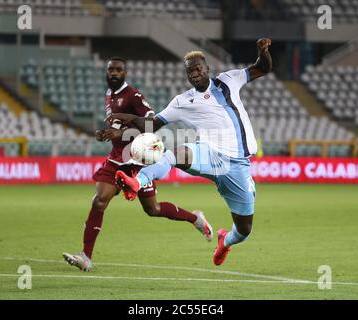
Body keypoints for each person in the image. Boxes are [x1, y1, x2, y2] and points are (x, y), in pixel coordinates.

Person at [111, 39, 272, 266]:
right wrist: (125, 123)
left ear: (207, 68)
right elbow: (152, 124)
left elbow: (263, 67)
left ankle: (225, 241)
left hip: (237, 167)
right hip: (209, 154)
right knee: (176, 154)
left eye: (198, 68)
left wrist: (263, 52)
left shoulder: (229, 80)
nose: (194, 73)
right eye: (190, 71)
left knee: (244, 230)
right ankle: (137, 182)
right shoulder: (182, 101)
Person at [63, 57, 213, 272]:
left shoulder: (133, 95)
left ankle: (195, 218)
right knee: (99, 201)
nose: (114, 73)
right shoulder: (109, 95)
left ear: (125, 73)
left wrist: (120, 132)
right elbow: (117, 129)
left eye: (118, 70)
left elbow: (151, 124)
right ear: (106, 73)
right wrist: (108, 134)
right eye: (110, 70)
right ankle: (86, 256)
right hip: (116, 159)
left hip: (138, 162)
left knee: (153, 209)